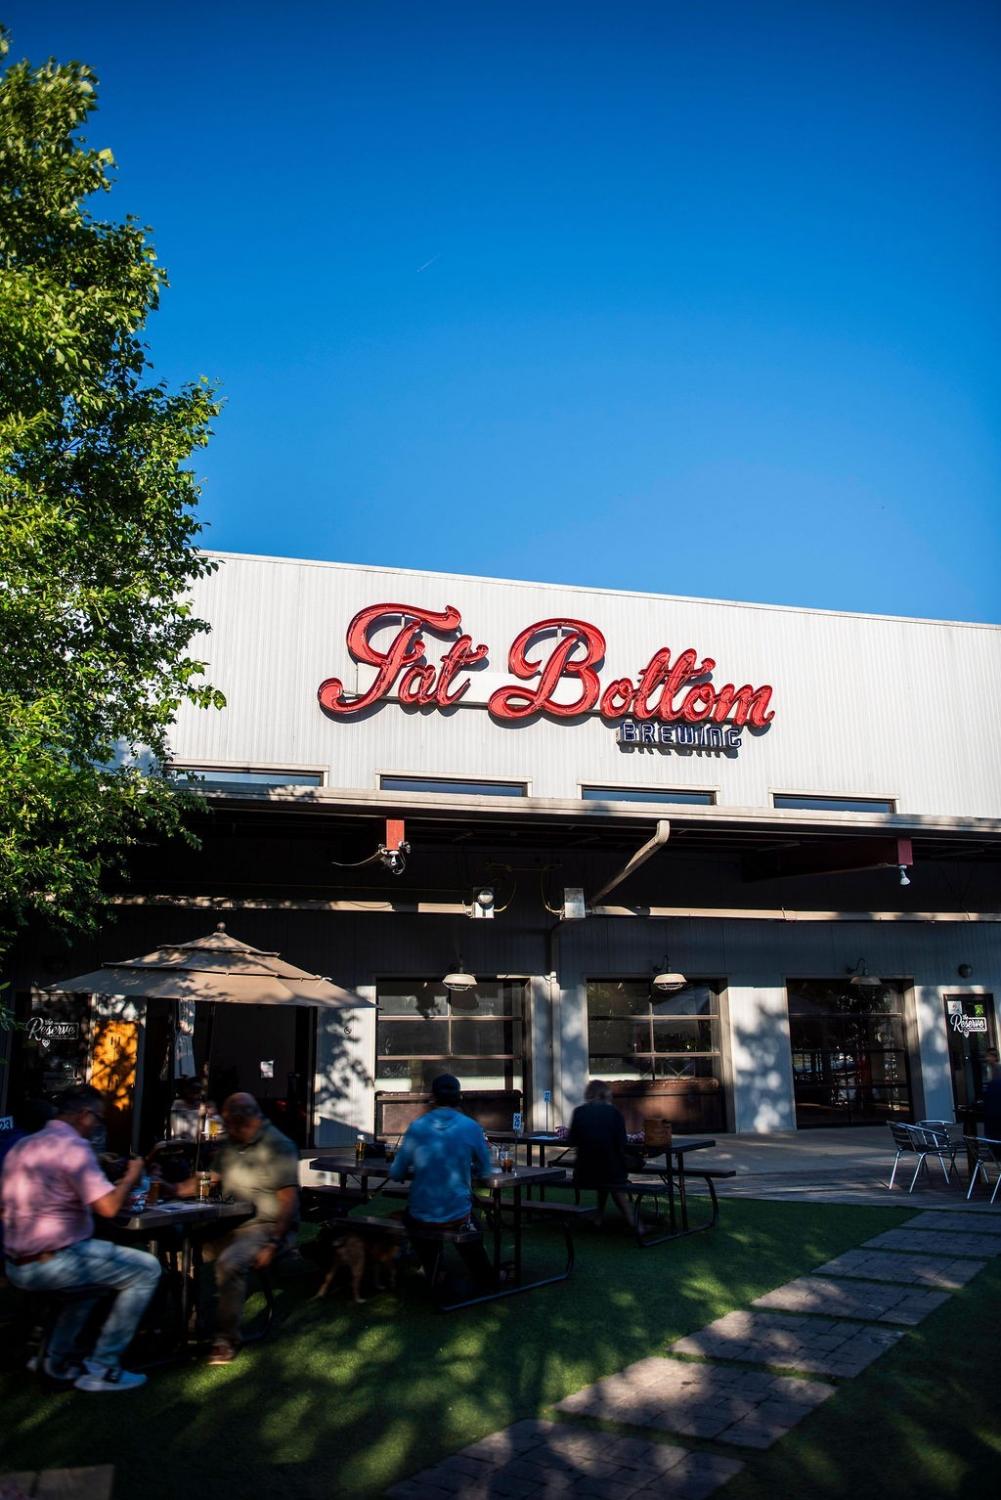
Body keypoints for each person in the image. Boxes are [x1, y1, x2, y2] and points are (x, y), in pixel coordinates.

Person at [0, 1085, 161, 1391]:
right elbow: (108, 1207)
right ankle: (103, 1366)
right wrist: (131, 1176)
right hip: (53, 1261)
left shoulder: (24, 1145)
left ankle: (54, 1359)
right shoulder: (73, 1147)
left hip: (16, 1263)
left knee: (89, 1288)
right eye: (98, 1119)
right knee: (147, 1269)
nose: (97, 1127)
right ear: (84, 1115)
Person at [178, 1092, 300, 1366]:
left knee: (230, 1262)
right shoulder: (231, 1144)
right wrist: (172, 1188)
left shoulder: (278, 1145)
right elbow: (209, 1179)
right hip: (230, 1223)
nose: (224, 1129)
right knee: (182, 1250)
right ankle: (190, 1320)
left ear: (242, 1120)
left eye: (227, 1123)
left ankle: (226, 1338)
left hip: (265, 1227)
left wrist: (274, 1243)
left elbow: (289, 1201)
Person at [387, 1073, 495, 1291]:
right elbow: (486, 1170)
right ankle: (484, 1277)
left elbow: (396, 1172)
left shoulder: (417, 1127)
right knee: (470, 1221)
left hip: (421, 1211)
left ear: (433, 1097)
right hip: (456, 1212)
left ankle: (434, 1269)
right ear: (459, 1097)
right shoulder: (471, 1127)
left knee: (412, 1217)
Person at [566, 1080, 640, 1228]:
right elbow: (622, 1141)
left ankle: (599, 1217)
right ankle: (635, 1224)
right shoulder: (614, 1113)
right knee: (611, 1175)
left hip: (583, 1172)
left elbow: (572, 1140)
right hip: (611, 1172)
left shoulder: (579, 1112)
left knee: (604, 1169)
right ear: (606, 1095)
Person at [169, 1075, 222, 1142]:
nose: (197, 1094)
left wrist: (208, 1114)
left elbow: (207, 1128)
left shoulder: (201, 1105)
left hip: (199, 1143)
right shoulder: (178, 1104)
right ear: (187, 1090)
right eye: (194, 1090)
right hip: (183, 1143)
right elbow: (177, 1132)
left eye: (198, 1091)